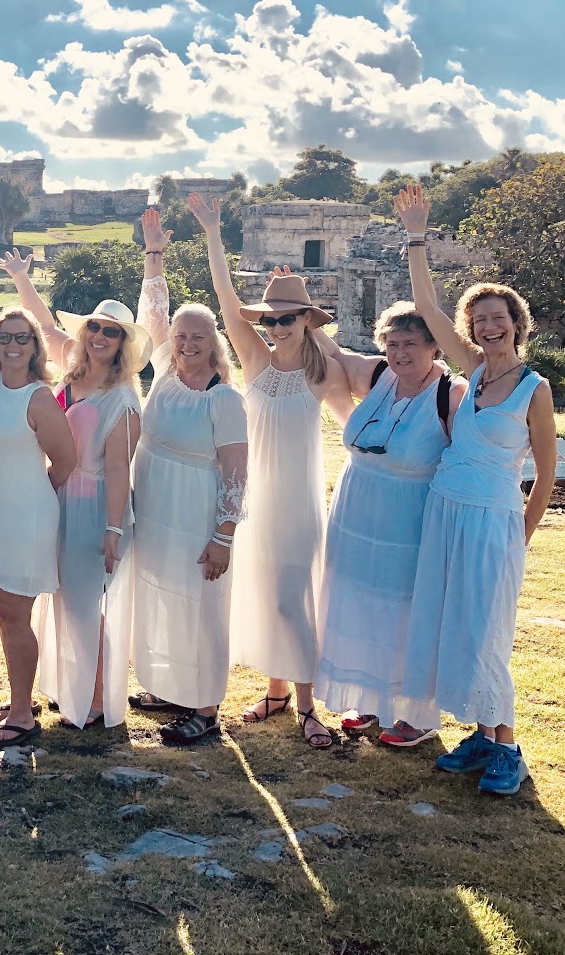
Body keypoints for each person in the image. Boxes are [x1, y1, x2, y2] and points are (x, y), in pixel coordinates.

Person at [395, 185, 557, 796]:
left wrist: (521, 534)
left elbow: (544, 472)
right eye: (480, 319)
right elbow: (428, 305)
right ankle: (482, 736)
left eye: (499, 318)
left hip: (493, 518)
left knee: (485, 630)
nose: (489, 326)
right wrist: (417, 236)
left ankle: (507, 748)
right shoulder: (474, 371)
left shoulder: (532, 388)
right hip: (445, 508)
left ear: (517, 324)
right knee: (449, 622)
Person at [189, 193, 353, 750]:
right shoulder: (254, 360)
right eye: (273, 319)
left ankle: (308, 707)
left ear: (307, 320)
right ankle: (277, 693)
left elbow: (357, 429)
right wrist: (214, 231)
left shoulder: (326, 372)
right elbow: (226, 301)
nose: (277, 326)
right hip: (253, 499)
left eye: (288, 318)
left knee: (290, 599)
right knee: (260, 593)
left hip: (298, 501)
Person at [309, 298, 464, 748]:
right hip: (356, 511)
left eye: (411, 343)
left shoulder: (449, 394)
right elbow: (330, 353)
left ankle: (417, 714)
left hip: (410, 520)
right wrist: (301, 308)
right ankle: (372, 699)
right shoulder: (377, 376)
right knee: (359, 600)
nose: (401, 353)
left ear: (433, 345)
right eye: (392, 343)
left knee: (405, 610)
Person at [0, 253, 145, 730]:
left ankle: (99, 698)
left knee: (85, 606)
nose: (100, 337)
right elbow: (41, 320)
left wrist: (112, 530)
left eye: (111, 332)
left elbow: (121, 471)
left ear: (123, 343)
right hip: (54, 499)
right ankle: (69, 689)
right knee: (57, 598)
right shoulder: (71, 371)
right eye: (95, 329)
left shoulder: (122, 399)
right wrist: (21, 278)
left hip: (92, 506)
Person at [127, 208, 248, 746]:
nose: (186, 342)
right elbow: (152, 313)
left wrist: (224, 536)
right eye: (181, 335)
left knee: (199, 605)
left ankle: (204, 706)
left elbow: (236, 472)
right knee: (161, 594)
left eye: (198, 336)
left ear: (214, 342)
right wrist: (154, 253)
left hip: (197, 509)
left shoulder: (226, 399)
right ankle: (167, 686)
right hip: (154, 504)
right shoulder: (163, 372)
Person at [0, 306, 77, 747]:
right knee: (5, 611)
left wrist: (30, 497)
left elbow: (65, 461)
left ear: (35, 347)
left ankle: (24, 715)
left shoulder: (39, 398)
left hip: (24, 518)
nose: (12, 345)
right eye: (4, 338)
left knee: (13, 613)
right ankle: (20, 698)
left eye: (21, 338)